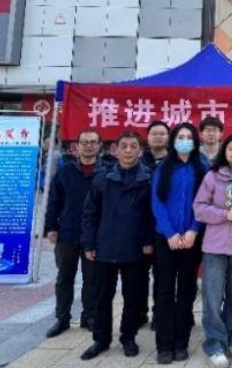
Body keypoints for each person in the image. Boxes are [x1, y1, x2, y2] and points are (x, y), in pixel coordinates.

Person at [80, 131, 154, 360]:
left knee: (133, 298)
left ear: (140, 150)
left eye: (133, 146)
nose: (128, 150)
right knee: (102, 297)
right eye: (124, 146)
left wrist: (148, 240)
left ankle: (128, 337)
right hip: (105, 247)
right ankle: (101, 340)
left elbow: (153, 215)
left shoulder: (148, 179)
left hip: (135, 247)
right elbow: (90, 213)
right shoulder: (102, 179)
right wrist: (89, 243)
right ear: (116, 150)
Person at [194, 134, 232, 368]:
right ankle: (214, 344)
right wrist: (224, 214)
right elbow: (199, 208)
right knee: (212, 297)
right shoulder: (212, 176)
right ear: (224, 151)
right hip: (215, 247)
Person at [151, 123, 208, 364]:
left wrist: (194, 229)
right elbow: (157, 202)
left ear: (195, 141)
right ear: (173, 141)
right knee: (164, 292)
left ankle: (181, 343)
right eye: (180, 137)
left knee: (186, 291)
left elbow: (205, 202)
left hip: (192, 239)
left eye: (188, 137)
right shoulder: (163, 167)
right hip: (167, 239)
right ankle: (164, 345)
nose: (184, 140)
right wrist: (170, 233)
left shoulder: (203, 168)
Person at [44, 129, 102, 338]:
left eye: (93, 142)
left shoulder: (106, 172)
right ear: (77, 146)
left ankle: (90, 317)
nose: (88, 146)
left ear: (99, 146)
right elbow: (54, 201)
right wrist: (51, 227)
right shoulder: (65, 172)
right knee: (64, 277)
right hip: (67, 232)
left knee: (92, 278)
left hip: (95, 235)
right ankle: (62, 318)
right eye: (84, 142)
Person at [139, 119, 171, 329]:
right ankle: (140, 313)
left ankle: (160, 314)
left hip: (164, 229)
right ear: (148, 137)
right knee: (138, 275)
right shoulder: (138, 161)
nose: (158, 137)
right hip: (140, 227)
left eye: (162, 133)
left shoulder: (174, 163)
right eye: (154, 133)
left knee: (163, 276)